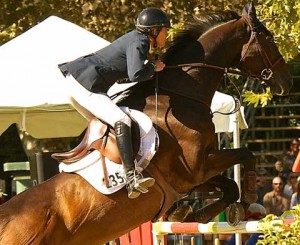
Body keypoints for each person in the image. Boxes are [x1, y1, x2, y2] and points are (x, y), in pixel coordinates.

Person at [58, 7, 171, 199]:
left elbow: (125, 78)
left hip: (76, 81)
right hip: (85, 82)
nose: (166, 34)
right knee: (122, 120)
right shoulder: (141, 41)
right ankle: (132, 176)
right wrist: (153, 67)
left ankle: (105, 168)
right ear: (154, 30)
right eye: (164, 30)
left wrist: (150, 67)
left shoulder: (136, 40)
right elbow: (136, 74)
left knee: (106, 124)